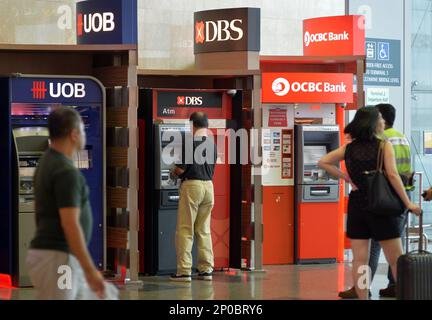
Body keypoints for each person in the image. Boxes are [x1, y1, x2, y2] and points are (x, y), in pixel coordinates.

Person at [318, 107, 421, 300]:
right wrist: (408, 203)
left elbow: (323, 162)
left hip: (357, 205)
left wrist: (347, 179)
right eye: (380, 118)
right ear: (373, 123)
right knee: (396, 260)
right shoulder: (384, 146)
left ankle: (363, 295)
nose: (382, 121)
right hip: (382, 206)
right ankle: (406, 295)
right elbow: (392, 175)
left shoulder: (349, 148)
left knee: (360, 260)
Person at [26, 107, 105, 300]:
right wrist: (90, 269)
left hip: (54, 256)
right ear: (74, 134)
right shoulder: (65, 171)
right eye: (83, 130)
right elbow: (70, 224)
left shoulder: (46, 162)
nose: (85, 135)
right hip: (60, 259)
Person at [170, 112, 217, 282]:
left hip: (193, 187)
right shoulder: (212, 144)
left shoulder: (189, 143)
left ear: (192, 125)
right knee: (204, 230)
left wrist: (172, 172)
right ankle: (206, 270)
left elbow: (181, 169)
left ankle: (184, 271)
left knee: (185, 229)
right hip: (209, 187)